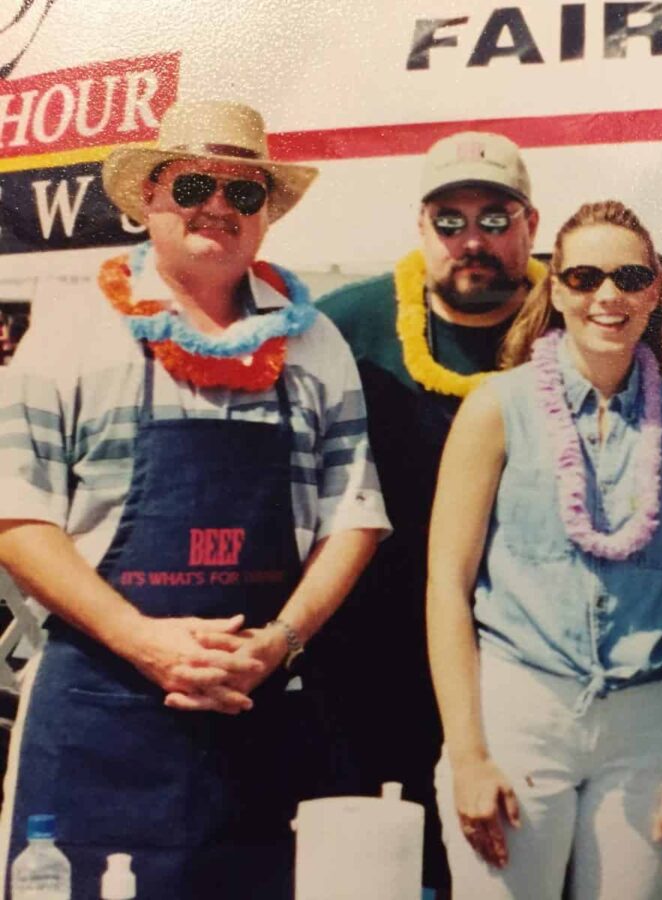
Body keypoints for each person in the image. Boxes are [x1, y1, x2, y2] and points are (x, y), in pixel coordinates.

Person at [0, 99, 390, 899]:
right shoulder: (74, 327)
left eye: (243, 193)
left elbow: (353, 516)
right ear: (149, 196)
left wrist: (278, 642)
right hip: (100, 715)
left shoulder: (314, 343)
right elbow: (17, 514)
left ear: (265, 215)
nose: (218, 206)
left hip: (260, 715)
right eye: (194, 185)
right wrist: (141, 640)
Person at [427, 201, 662, 899]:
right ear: (555, 289)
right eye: (585, 277)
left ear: (656, 290)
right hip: (520, 710)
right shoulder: (497, 406)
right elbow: (446, 585)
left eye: (629, 276)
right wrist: (468, 754)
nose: (607, 296)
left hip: (646, 724)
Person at [316, 130, 542, 893]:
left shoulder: (573, 316)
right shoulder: (343, 326)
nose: (471, 240)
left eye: (495, 217)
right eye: (449, 221)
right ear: (420, 228)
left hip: (525, 668)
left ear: (531, 227)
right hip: (369, 664)